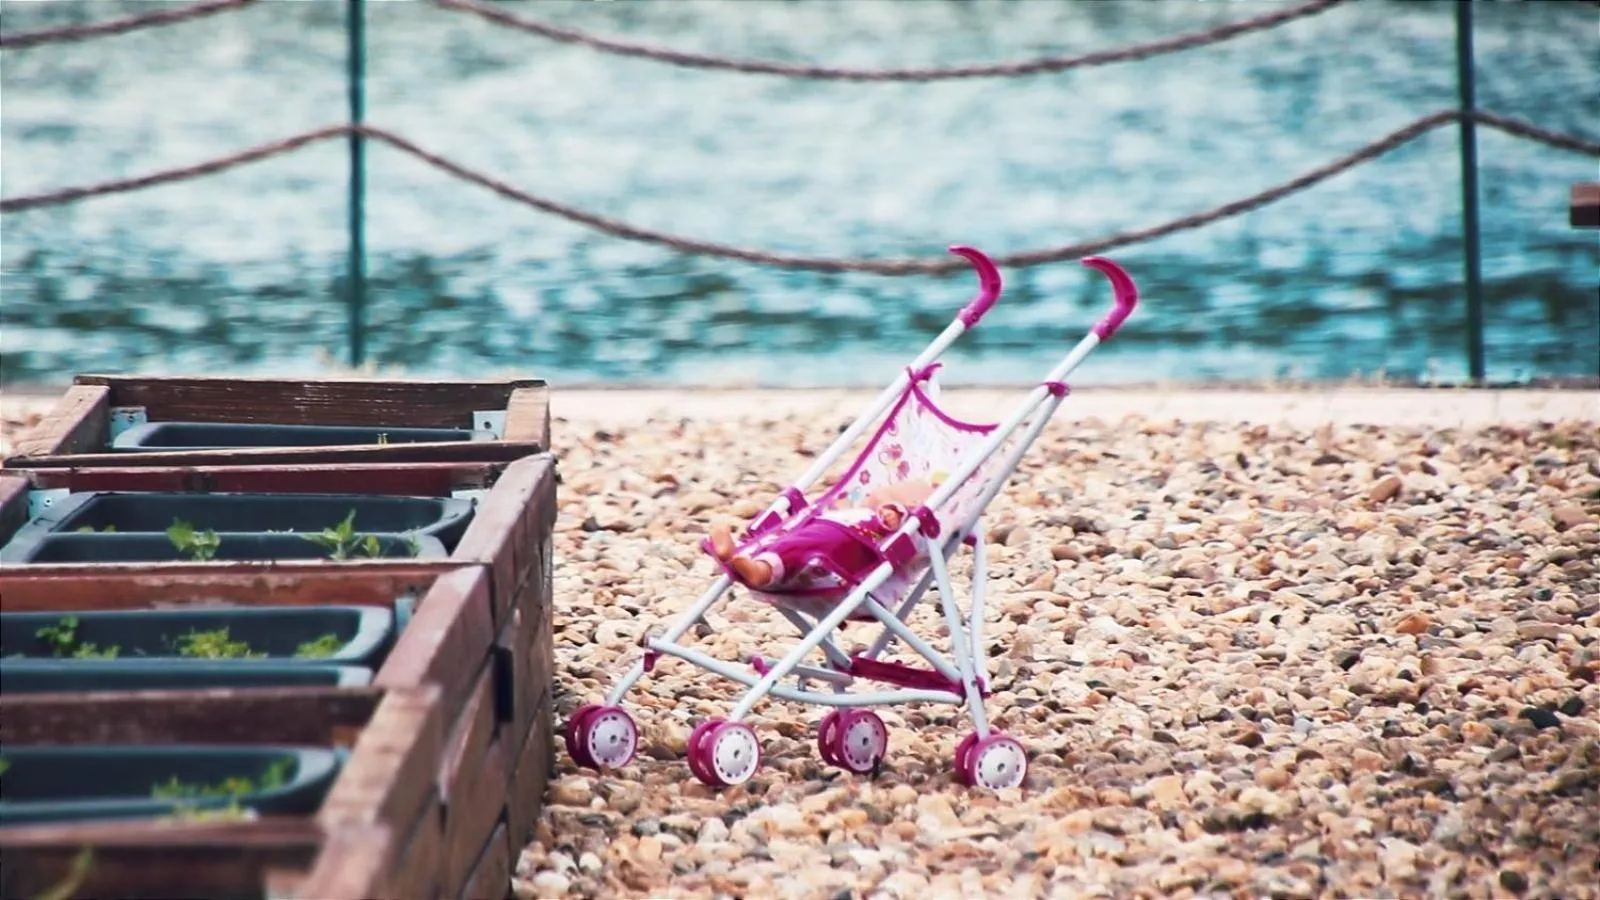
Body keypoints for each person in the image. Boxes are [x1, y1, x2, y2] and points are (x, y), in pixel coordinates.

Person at [707, 479, 935, 590]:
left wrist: (904, 520)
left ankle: (760, 571)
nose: (910, 503)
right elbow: (877, 495)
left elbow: (915, 554)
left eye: (916, 501)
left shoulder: (915, 532)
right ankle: (738, 553)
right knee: (787, 539)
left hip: (853, 545)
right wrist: (890, 503)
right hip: (830, 524)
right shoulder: (876, 507)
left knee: (802, 551)